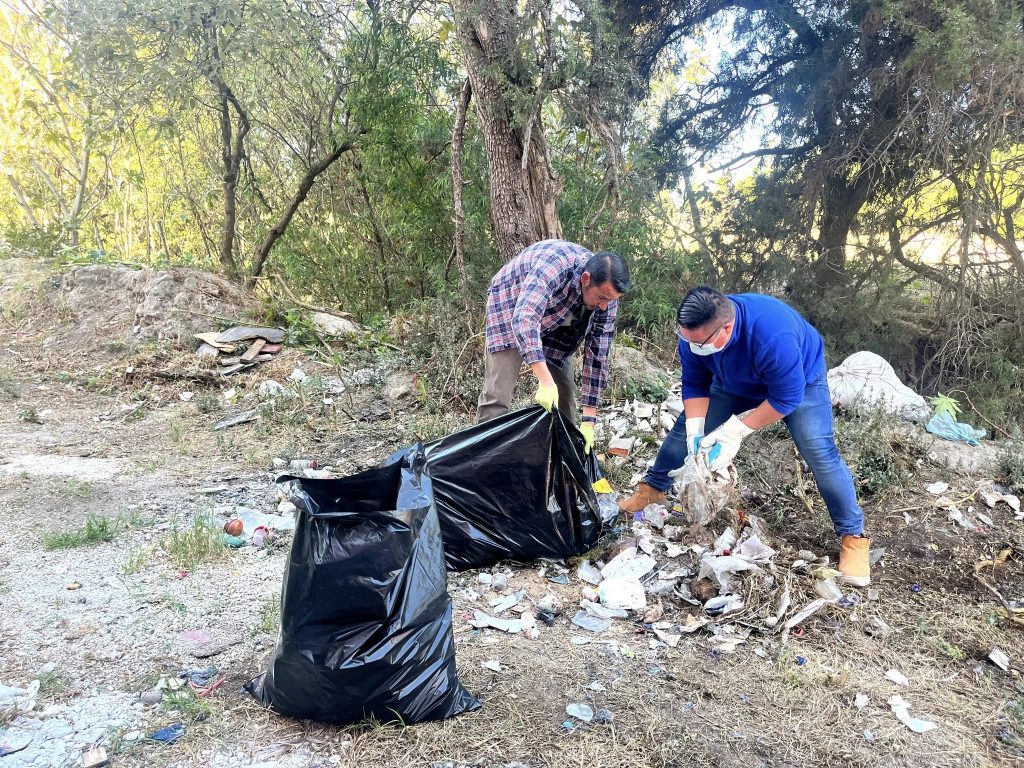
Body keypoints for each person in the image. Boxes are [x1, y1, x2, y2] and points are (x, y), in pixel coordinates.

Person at [618, 286, 871, 586]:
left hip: (799, 384)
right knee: (683, 430)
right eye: (687, 340)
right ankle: (652, 491)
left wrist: (735, 431)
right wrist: (695, 431)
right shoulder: (694, 335)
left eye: (699, 343)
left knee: (819, 452)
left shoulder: (772, 335)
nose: (692, 346)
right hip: (732, 383)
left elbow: (786, 398)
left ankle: (853, 537)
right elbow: (696, 384)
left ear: (726, 328)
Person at [477, 239, 630, 454]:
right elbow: (525, 318)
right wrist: (545, 381)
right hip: (511, 304)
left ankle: (564, 457)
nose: (604, 306)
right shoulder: (555, 265)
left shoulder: (607, 298)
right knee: (498, 393)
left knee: (564, 393)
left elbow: (598, 356)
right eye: (602, 298)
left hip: (560, 312)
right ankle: (485, 457)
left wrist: (589, 422)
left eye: (610, 300)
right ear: (586, 279)